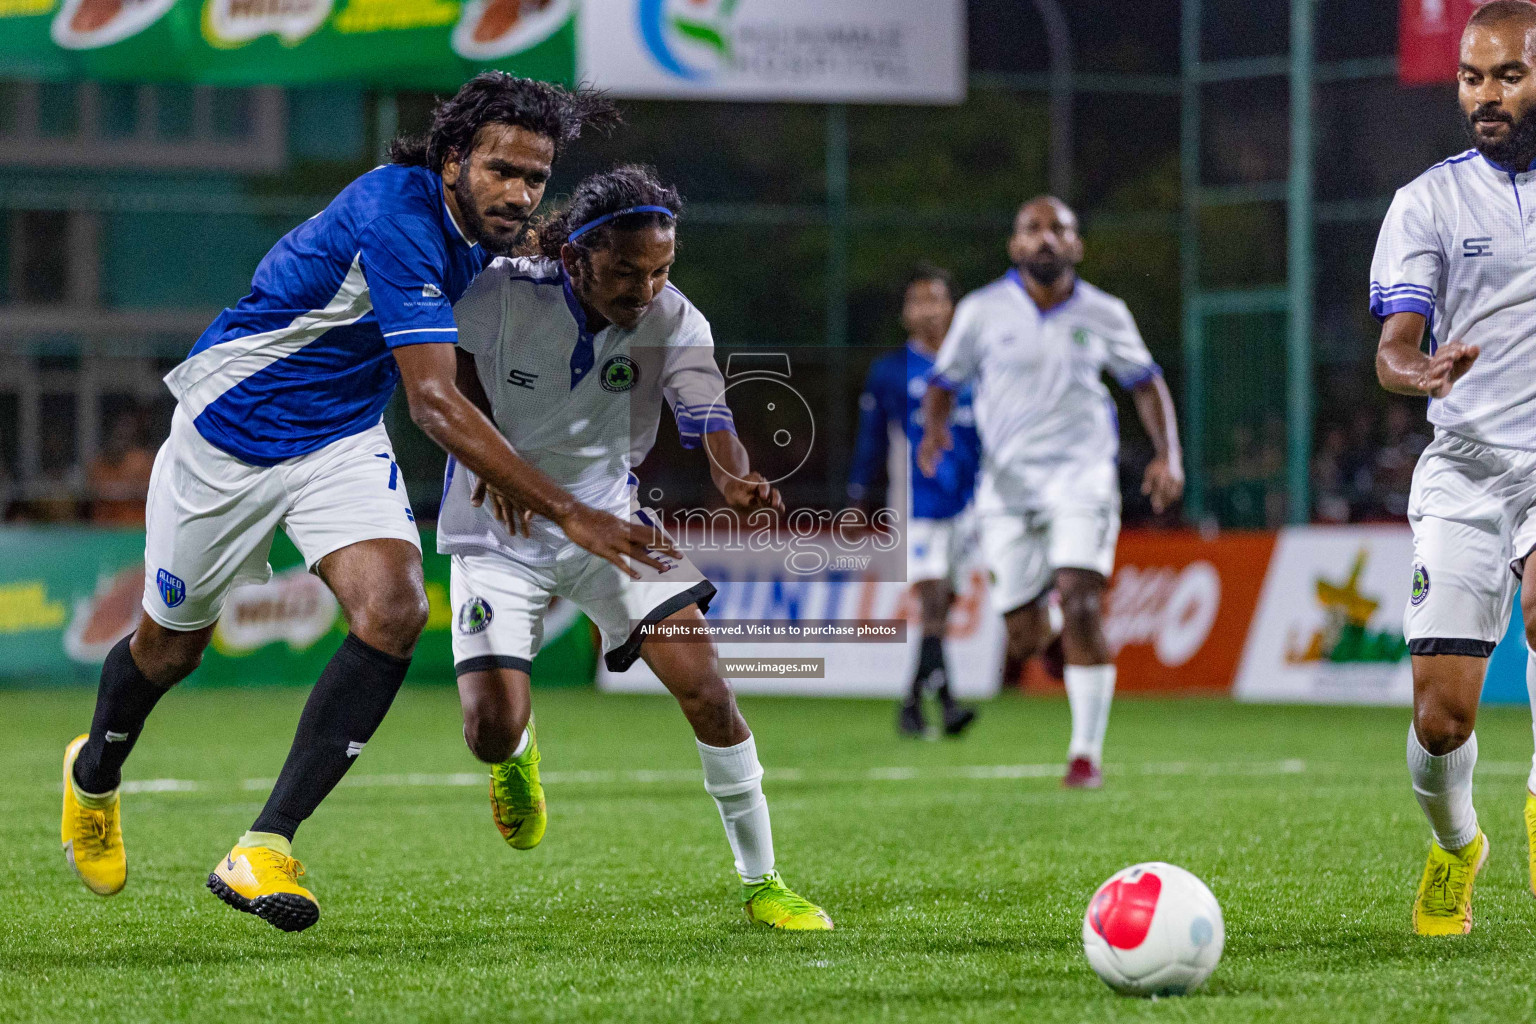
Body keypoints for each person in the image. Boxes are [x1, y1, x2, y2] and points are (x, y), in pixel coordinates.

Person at [60, 73, 672, 934]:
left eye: (535, 177)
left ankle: (265, 845)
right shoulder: (398, 217)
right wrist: (572, 511)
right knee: (169, 652)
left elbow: (486, 331)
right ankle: (93, 779)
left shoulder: (491, 231)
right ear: (454, 159)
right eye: (501, 169)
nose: (519, 192)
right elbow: (429, 401)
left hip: (339, 438)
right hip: (228, 434)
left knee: (393, 609)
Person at [441, 166, 832, 930]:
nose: (646, 287)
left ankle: (764, 883)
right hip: (497, 532)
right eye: (626, 269)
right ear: (579, 254)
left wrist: (737, 478)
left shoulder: (676, 319)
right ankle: (515, 758)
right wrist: (487, 452)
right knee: (489, 728)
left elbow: (706, 413)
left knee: (709, 690)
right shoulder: (501, 292)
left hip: (612, 527)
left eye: (661, 269)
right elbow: (444, 366)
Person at [917, 196, 1184, 789]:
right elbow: (944, 383)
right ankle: (1062, 634)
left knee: (1082, 597)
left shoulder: (1105, 312)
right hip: (1007, 488)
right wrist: (934, 432)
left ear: (1076, 245)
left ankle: (1084, 755)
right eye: (1032, 229)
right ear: (1015, 245)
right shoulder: (983, 311)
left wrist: (1169, 455)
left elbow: (1146, 384)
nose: (1045, 239)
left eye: (1059, 228)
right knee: (1025, 635)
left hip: (1082, 477)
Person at [1371, 0, 1536, 936]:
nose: (1487, 95)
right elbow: (1394, 344)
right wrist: (1418, 368)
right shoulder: (1425, 202)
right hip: (1465, 468)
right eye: (1473, 76)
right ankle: (1456, 846)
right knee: (1442, 724)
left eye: (1508, 74)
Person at [848, 263, 981, 738]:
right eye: (916, 300)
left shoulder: (975, 365)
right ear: (905, 313)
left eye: (936, 299)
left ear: (953, 307)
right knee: (930, 598)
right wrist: (858, 493)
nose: (927, 309)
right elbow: (872, 440)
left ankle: (918, 705)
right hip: (915, 502)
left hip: (972, 504)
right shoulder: (890, 372)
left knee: (942, 604)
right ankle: (943, 703)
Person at [88, 410, 156, 527]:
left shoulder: (143, 460)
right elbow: (92, 491)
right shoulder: (99, 463)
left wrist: (130, 490)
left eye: (126, 433)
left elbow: (152, 491)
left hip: (136, 528)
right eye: (118, 434)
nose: (121, 438)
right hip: (104, 529)